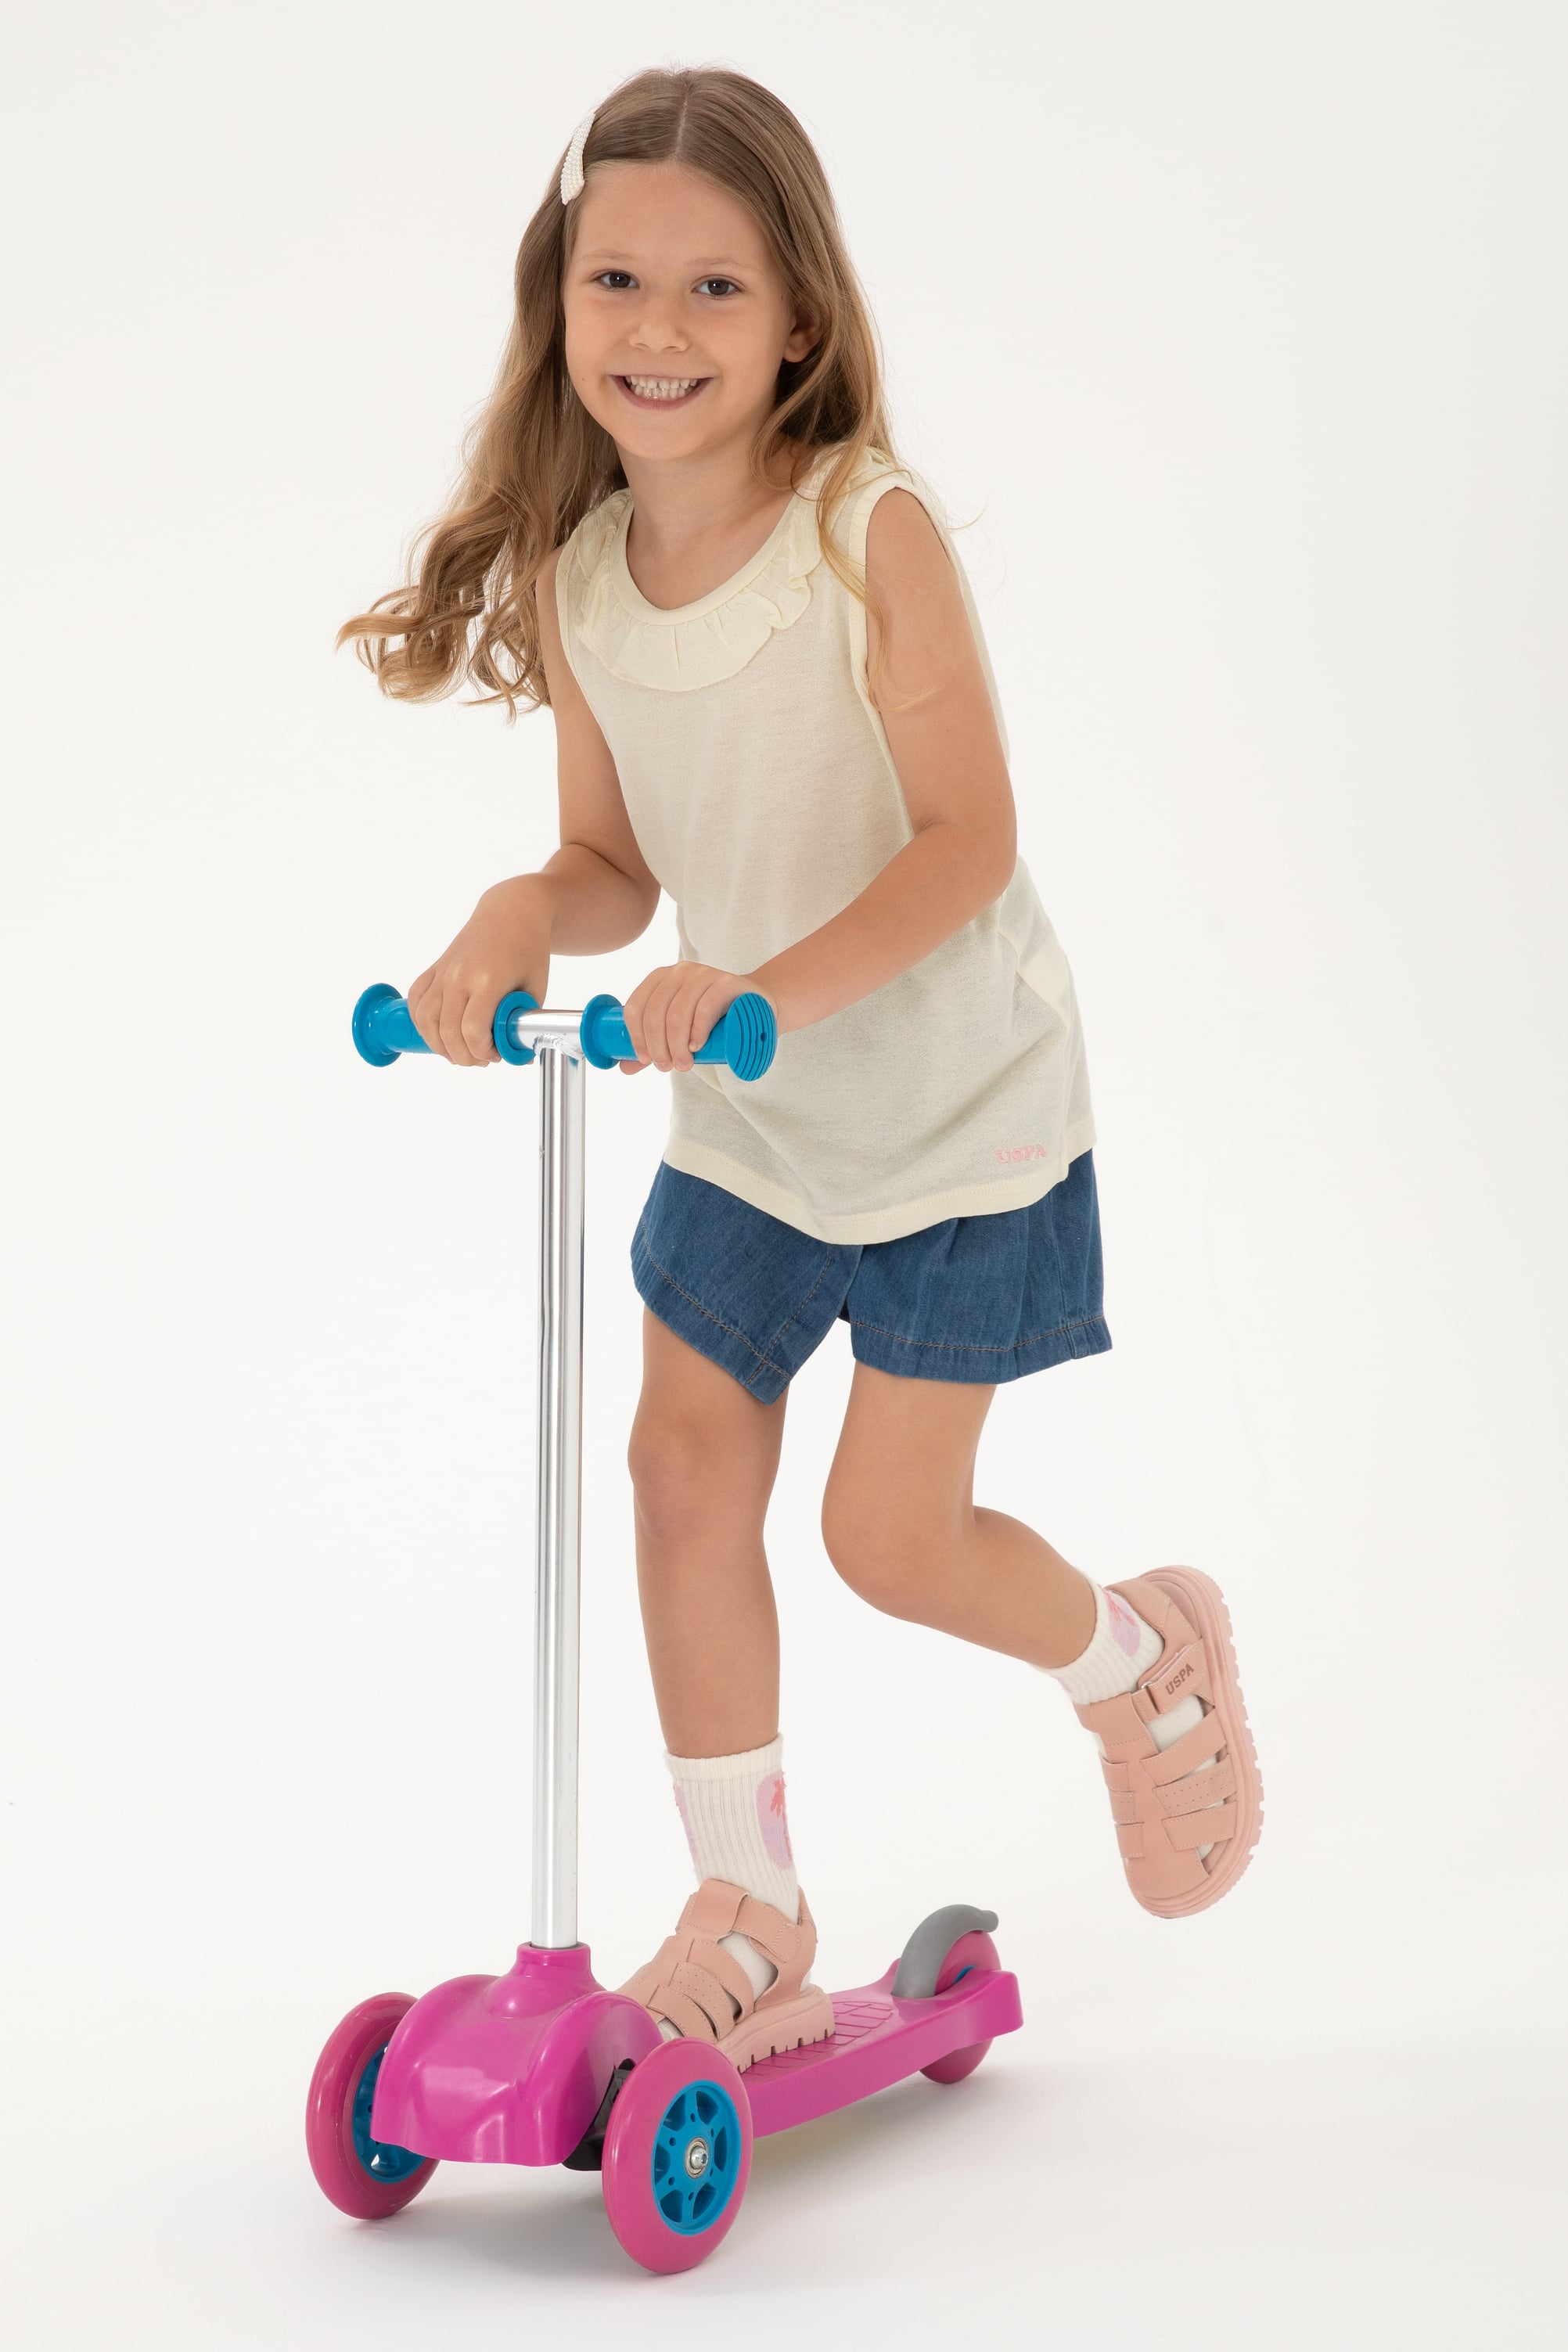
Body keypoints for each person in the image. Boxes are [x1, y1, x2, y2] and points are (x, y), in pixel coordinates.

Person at [340, 64, 1262, 2071]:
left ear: (797, 323)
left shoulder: (864, 533)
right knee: (677, 1472)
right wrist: (516, 916)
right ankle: (748, 1902)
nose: (657, 331)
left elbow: (968, 840)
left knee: (889, 1541)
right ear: (556, 298)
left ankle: (1138, 1658)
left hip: (954, 1118)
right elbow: (609, 863)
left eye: (714, 289)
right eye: (616, 280)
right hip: (752, 1122)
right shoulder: (584, 580)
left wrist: (758, 979)